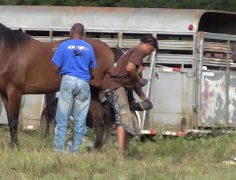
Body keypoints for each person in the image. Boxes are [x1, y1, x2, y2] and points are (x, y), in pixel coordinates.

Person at [102, 35, 158, 156]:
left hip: (120, 86)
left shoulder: (135, 52)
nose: (150, 53)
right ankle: (121, 154)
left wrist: (144, 98)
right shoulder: (139, 50)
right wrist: (140, 80)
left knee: (131, 121)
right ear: (148, 45)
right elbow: (130, 69)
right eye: (151, 50)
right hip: (115, 85)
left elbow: (133, 81)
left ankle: (125, 151)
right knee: (123, 118)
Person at [52, 23, 97, 153]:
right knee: (80, 119)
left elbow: (55, 68)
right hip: (83, 82)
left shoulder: (64, 46)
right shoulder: (89, 47)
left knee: (62, 117)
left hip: (68, 81)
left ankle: (59, 149)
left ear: (72, 32)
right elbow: (92, 67)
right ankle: (76, 149)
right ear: (83, 33)